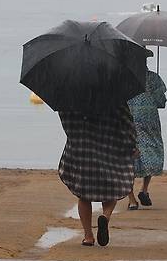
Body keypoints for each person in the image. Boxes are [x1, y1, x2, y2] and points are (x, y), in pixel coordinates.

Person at [58, 104, 137, 246]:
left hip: (81, 147)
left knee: (83, 194)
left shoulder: (71, 97)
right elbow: (126, 122)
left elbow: (65, 119)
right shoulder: (114, 96)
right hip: (109, 146)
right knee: (112, 187)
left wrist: (74, 136)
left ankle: (88, 236)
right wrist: (131, 145)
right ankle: (104, 217)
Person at [126, 60, 167, 210]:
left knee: (128, 156)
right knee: (150, 150)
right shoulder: (153, 78)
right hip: (150, 120)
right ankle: (144, 189)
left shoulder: (125, 78)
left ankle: (131, 200)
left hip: (129, 118)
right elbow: (161, 101)